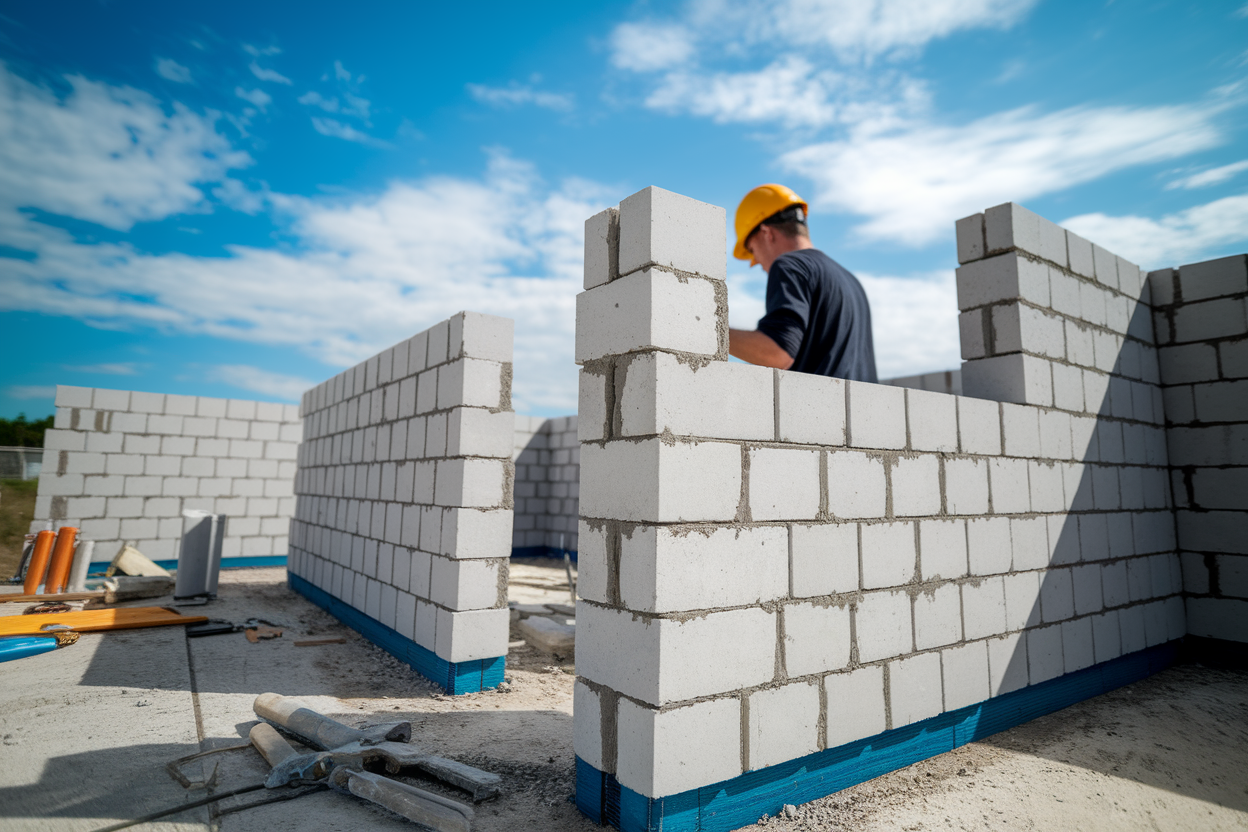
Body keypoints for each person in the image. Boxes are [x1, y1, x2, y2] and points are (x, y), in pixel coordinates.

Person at [728, 184, 878, 382]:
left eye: (752, 250)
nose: (756, 263)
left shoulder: (790, 266)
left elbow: (777, 354)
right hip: (862, 410)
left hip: (819, 411)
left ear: (767, 233)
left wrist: (709, 332)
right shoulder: (850, 281)